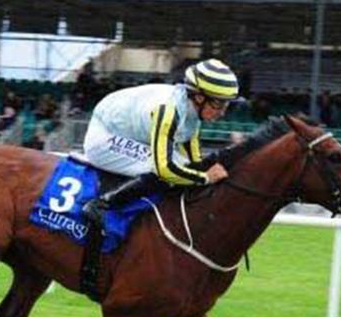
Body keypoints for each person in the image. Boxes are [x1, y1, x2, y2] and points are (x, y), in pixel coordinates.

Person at [78, 59, 237, 289]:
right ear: (199, 96)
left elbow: (194, 159)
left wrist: (204, 172)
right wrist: (204, 178)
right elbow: (164, 169)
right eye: (218, 104)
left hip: (128, 131)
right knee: (162, 171)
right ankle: (101, 204)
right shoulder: (169, 110)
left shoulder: (192, 111)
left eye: (226, 106)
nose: (222, 112)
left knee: (182, 169)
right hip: (104, 136)